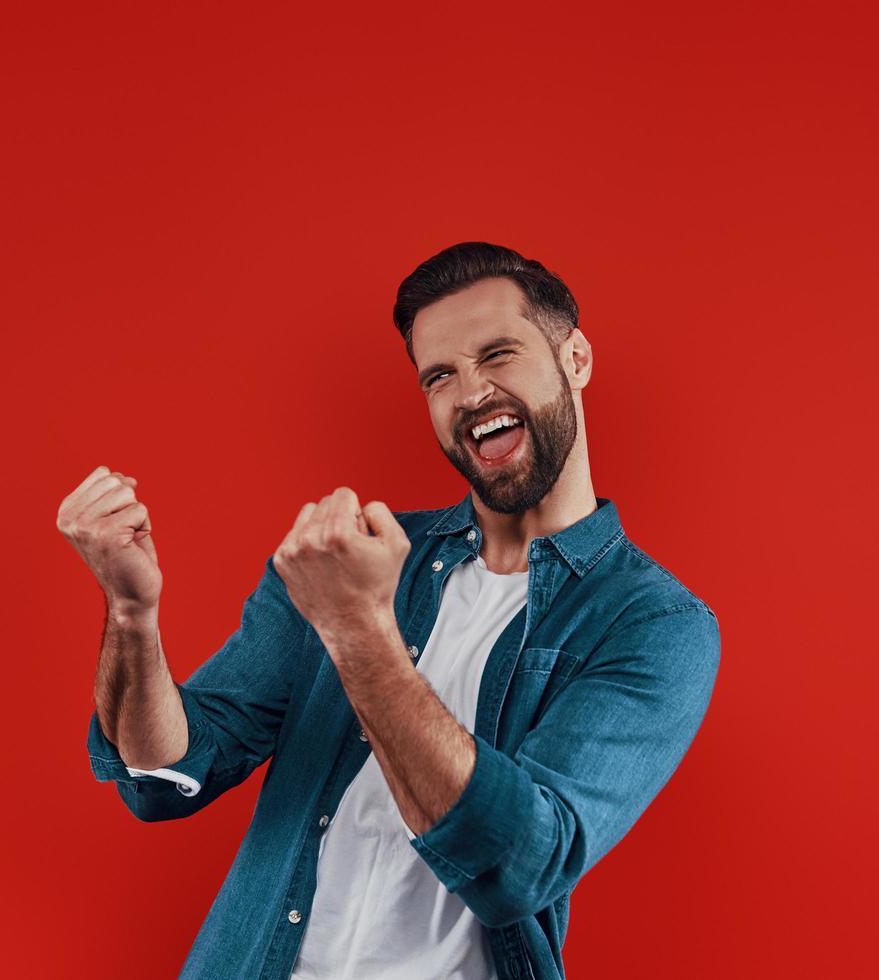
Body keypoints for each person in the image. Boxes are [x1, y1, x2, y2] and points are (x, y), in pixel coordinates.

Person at [57, 242, 721, 979]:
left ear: (575, 359)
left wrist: (357, 632)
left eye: (497, 354)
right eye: (440, 375)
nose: (471, 393)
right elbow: (166, 777)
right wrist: (130, 613)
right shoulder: (349, 560)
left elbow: (520, 866)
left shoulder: (653, 624)